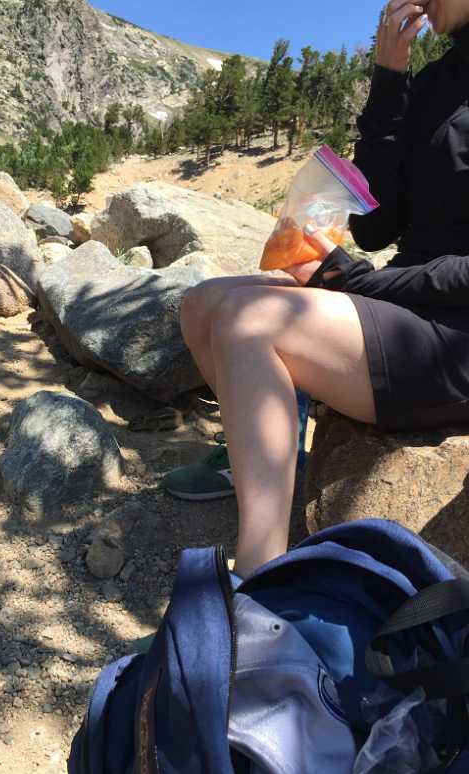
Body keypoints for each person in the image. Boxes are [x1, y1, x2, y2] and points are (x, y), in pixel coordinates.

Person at [163, 0, 469, 578]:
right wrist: (390, 79)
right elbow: (377, 226)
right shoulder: (439, 79)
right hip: (412, 298)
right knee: (203, 305)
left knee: (250, 322)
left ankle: (262, 573)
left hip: (455, 333)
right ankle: (262, 460)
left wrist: (367, 282)